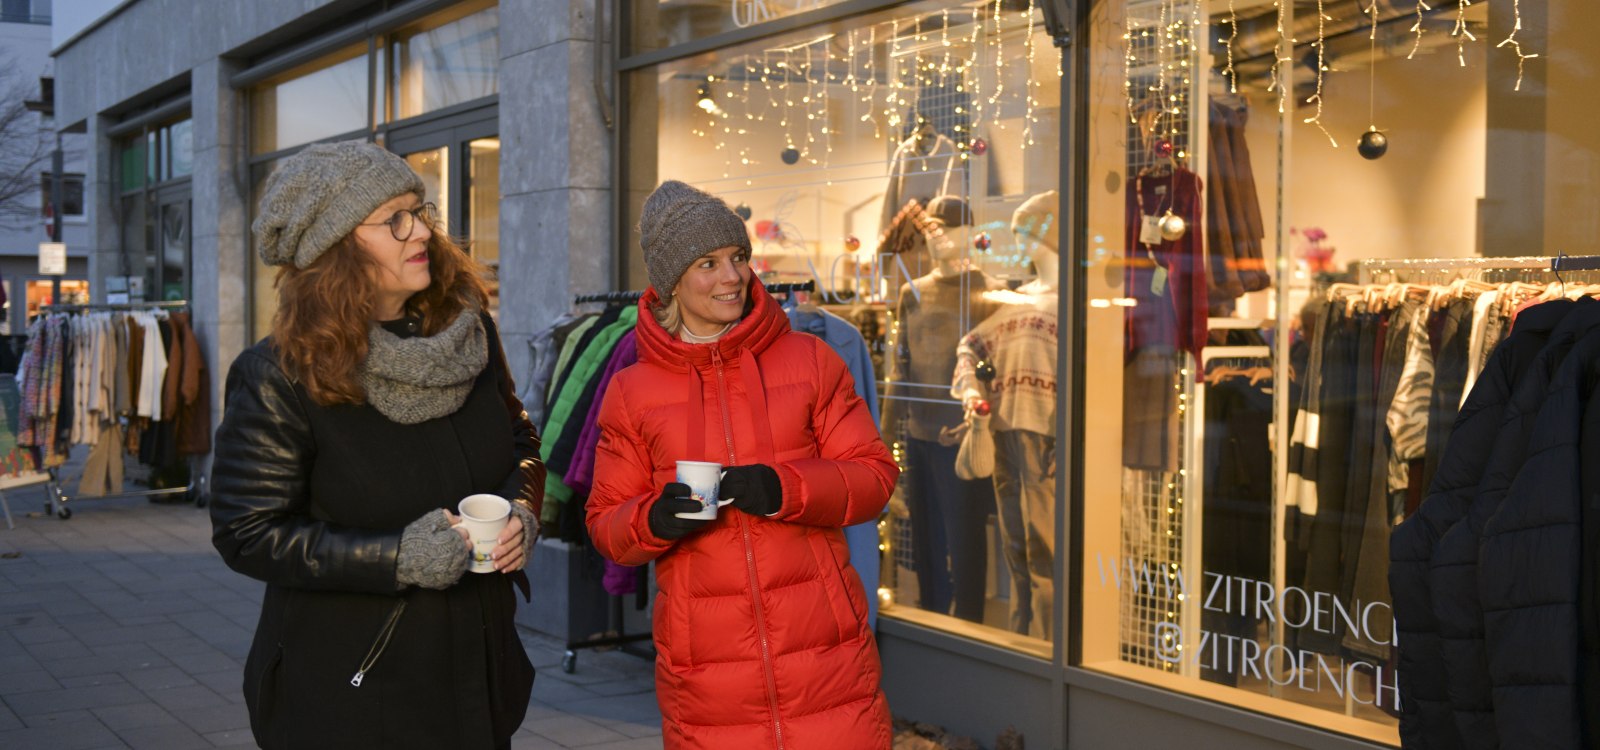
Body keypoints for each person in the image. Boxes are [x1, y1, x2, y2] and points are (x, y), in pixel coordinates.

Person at [209, 140, 543, 750]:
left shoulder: (468, 332)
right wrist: (395, 558)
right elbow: (247, 531)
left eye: (419, 211)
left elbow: (520, 436)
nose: (422, 231)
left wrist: (520, 509)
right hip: (353, 690)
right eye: (394, 219)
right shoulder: (280, 373)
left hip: (479, 674)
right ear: (336, 248)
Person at [587, 180, 899, 749]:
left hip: (824, 655)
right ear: (671, 282)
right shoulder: (632, 391)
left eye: (738, 257)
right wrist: (653, 519)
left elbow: (874, 475)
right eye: (708, 263)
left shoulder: (810, 360)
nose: (732, 276)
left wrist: (783, 488)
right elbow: (607, 523)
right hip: (706, 667)